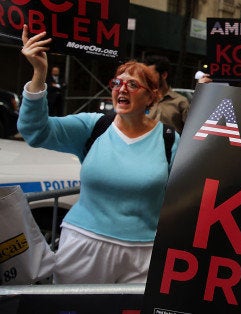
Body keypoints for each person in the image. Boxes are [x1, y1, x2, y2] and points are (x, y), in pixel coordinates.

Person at [18, 24, 180, 284]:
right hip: (84, 246)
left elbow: (190, 191)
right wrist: (39, 73)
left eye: (133, 84)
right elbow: (34, 130)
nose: (122, 88)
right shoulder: (93, 126)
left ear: (152, 97)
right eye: (117, 82)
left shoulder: (169, 139)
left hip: (144, 253)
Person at [143, 55, 190, 134]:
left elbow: (190, 132)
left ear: (164, 75)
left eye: (150, 76)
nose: (147, 79)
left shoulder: (181, 102)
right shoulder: (143, 100)